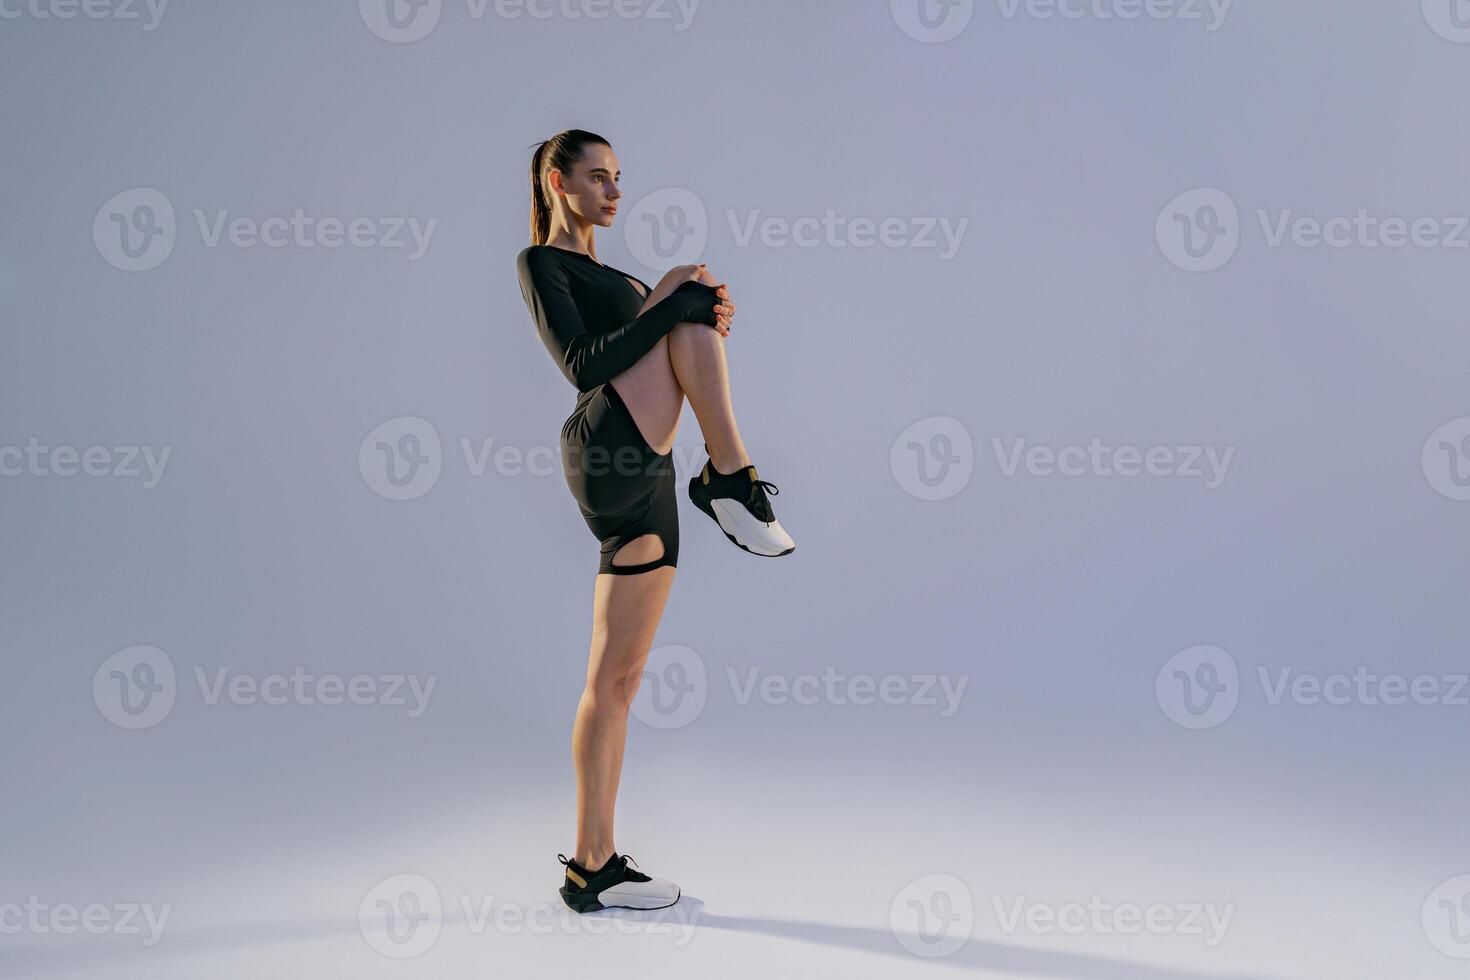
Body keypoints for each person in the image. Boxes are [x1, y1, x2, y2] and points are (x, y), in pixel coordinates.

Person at [515, 128, 795, 913]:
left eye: (618, 179)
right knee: (684, 304)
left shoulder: (618, 274)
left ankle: (591, 866)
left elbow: (660, 337)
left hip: (651, 476)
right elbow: (582, 363)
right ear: (556, 181)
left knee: (617, 680)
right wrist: (678, 310)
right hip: (605, 446)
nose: (613, 191)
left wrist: (689, 298)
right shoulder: (543, 264)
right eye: (597, 178)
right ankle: (731, 477)